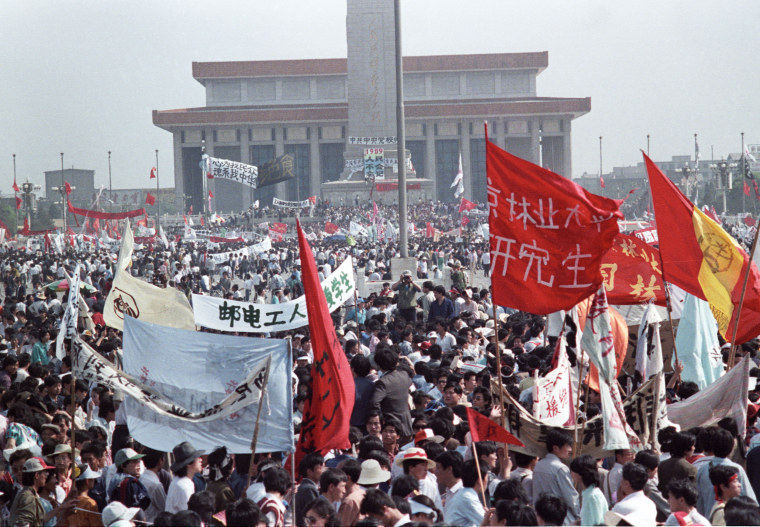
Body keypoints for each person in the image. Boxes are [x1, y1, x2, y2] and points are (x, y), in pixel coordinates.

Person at [532, 429, 580, 524]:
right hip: (561, 519)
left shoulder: (538, 465)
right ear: (555, 448)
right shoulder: (560, 468)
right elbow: (571, 497)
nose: (570, 449)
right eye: (567, 446)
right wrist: (579, 516)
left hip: (541, 518)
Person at [370, 345, 413, 438]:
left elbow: (374, 402)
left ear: (379, 365)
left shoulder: (383, 382)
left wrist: (382, 418)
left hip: (392, 427)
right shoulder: (404, 374)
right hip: (407, 423)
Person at [165, 441, 204, 513]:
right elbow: (188, 515)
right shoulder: (183, 486)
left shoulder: (181, 481)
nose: (200, 460)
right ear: (189, 463)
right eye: (197, 458)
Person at [444, 459, 485, 527]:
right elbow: (487, 523)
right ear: (479, 480)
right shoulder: (468, 497)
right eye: (487, 477)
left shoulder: (464, 493)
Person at [569, 454, 608, 526]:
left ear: (580, 473)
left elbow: (597, 523)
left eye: (573, 471)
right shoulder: (588, 494)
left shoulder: (593, 496)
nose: (571, 473)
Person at [295, 453, 325, 527]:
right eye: (320, 468)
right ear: (309, 471)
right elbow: (314, 515)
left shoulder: (305, 487)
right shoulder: (309, 489)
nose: (323, 471)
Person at [435, 450, 463, 517]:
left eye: (438, 468)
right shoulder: (448, 492)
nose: (435, 472)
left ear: (449, 469)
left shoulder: (464, 494)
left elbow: (481, 520)